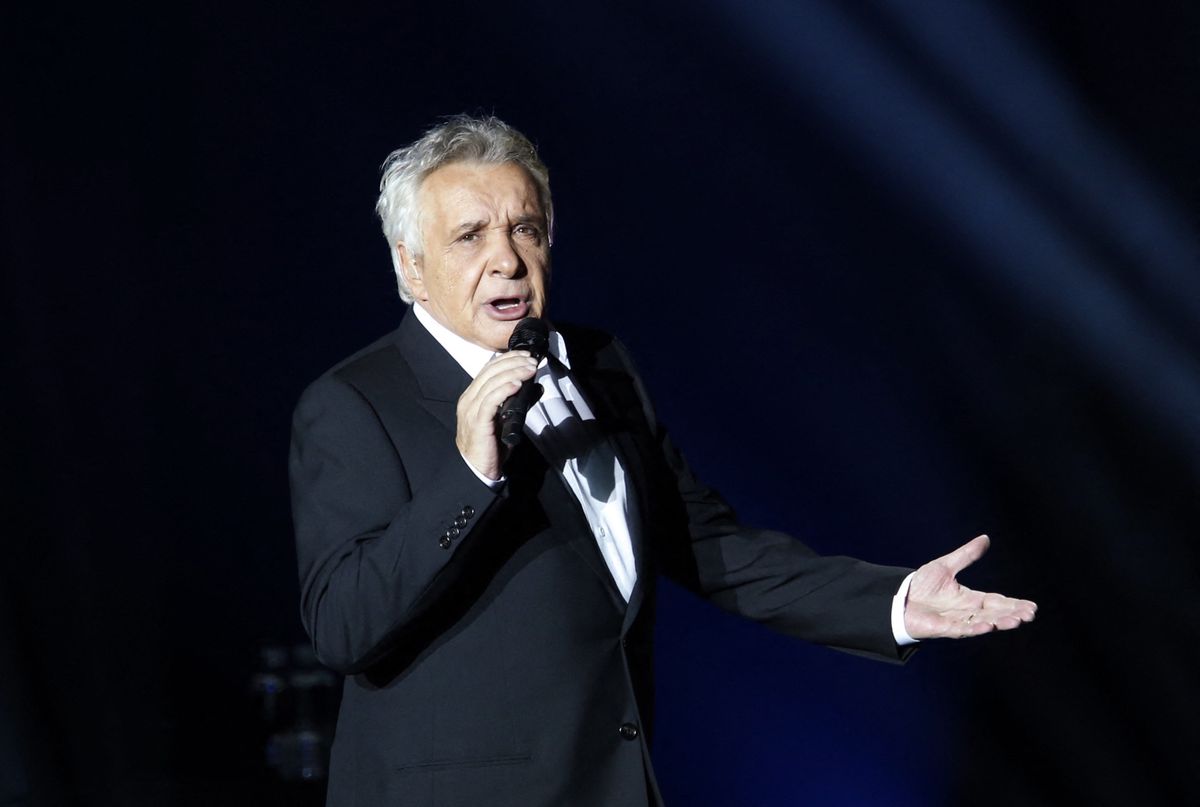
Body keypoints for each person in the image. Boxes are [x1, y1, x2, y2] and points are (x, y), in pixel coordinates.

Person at [288, 114, 1036, 807]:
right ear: (411, 267)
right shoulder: (355, 403)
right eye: (470, 236)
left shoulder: (602, 365)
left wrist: (895, 602)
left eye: (525, 228)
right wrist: (469, 472)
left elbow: (708, 546)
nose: (507, 260)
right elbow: (345, 626)